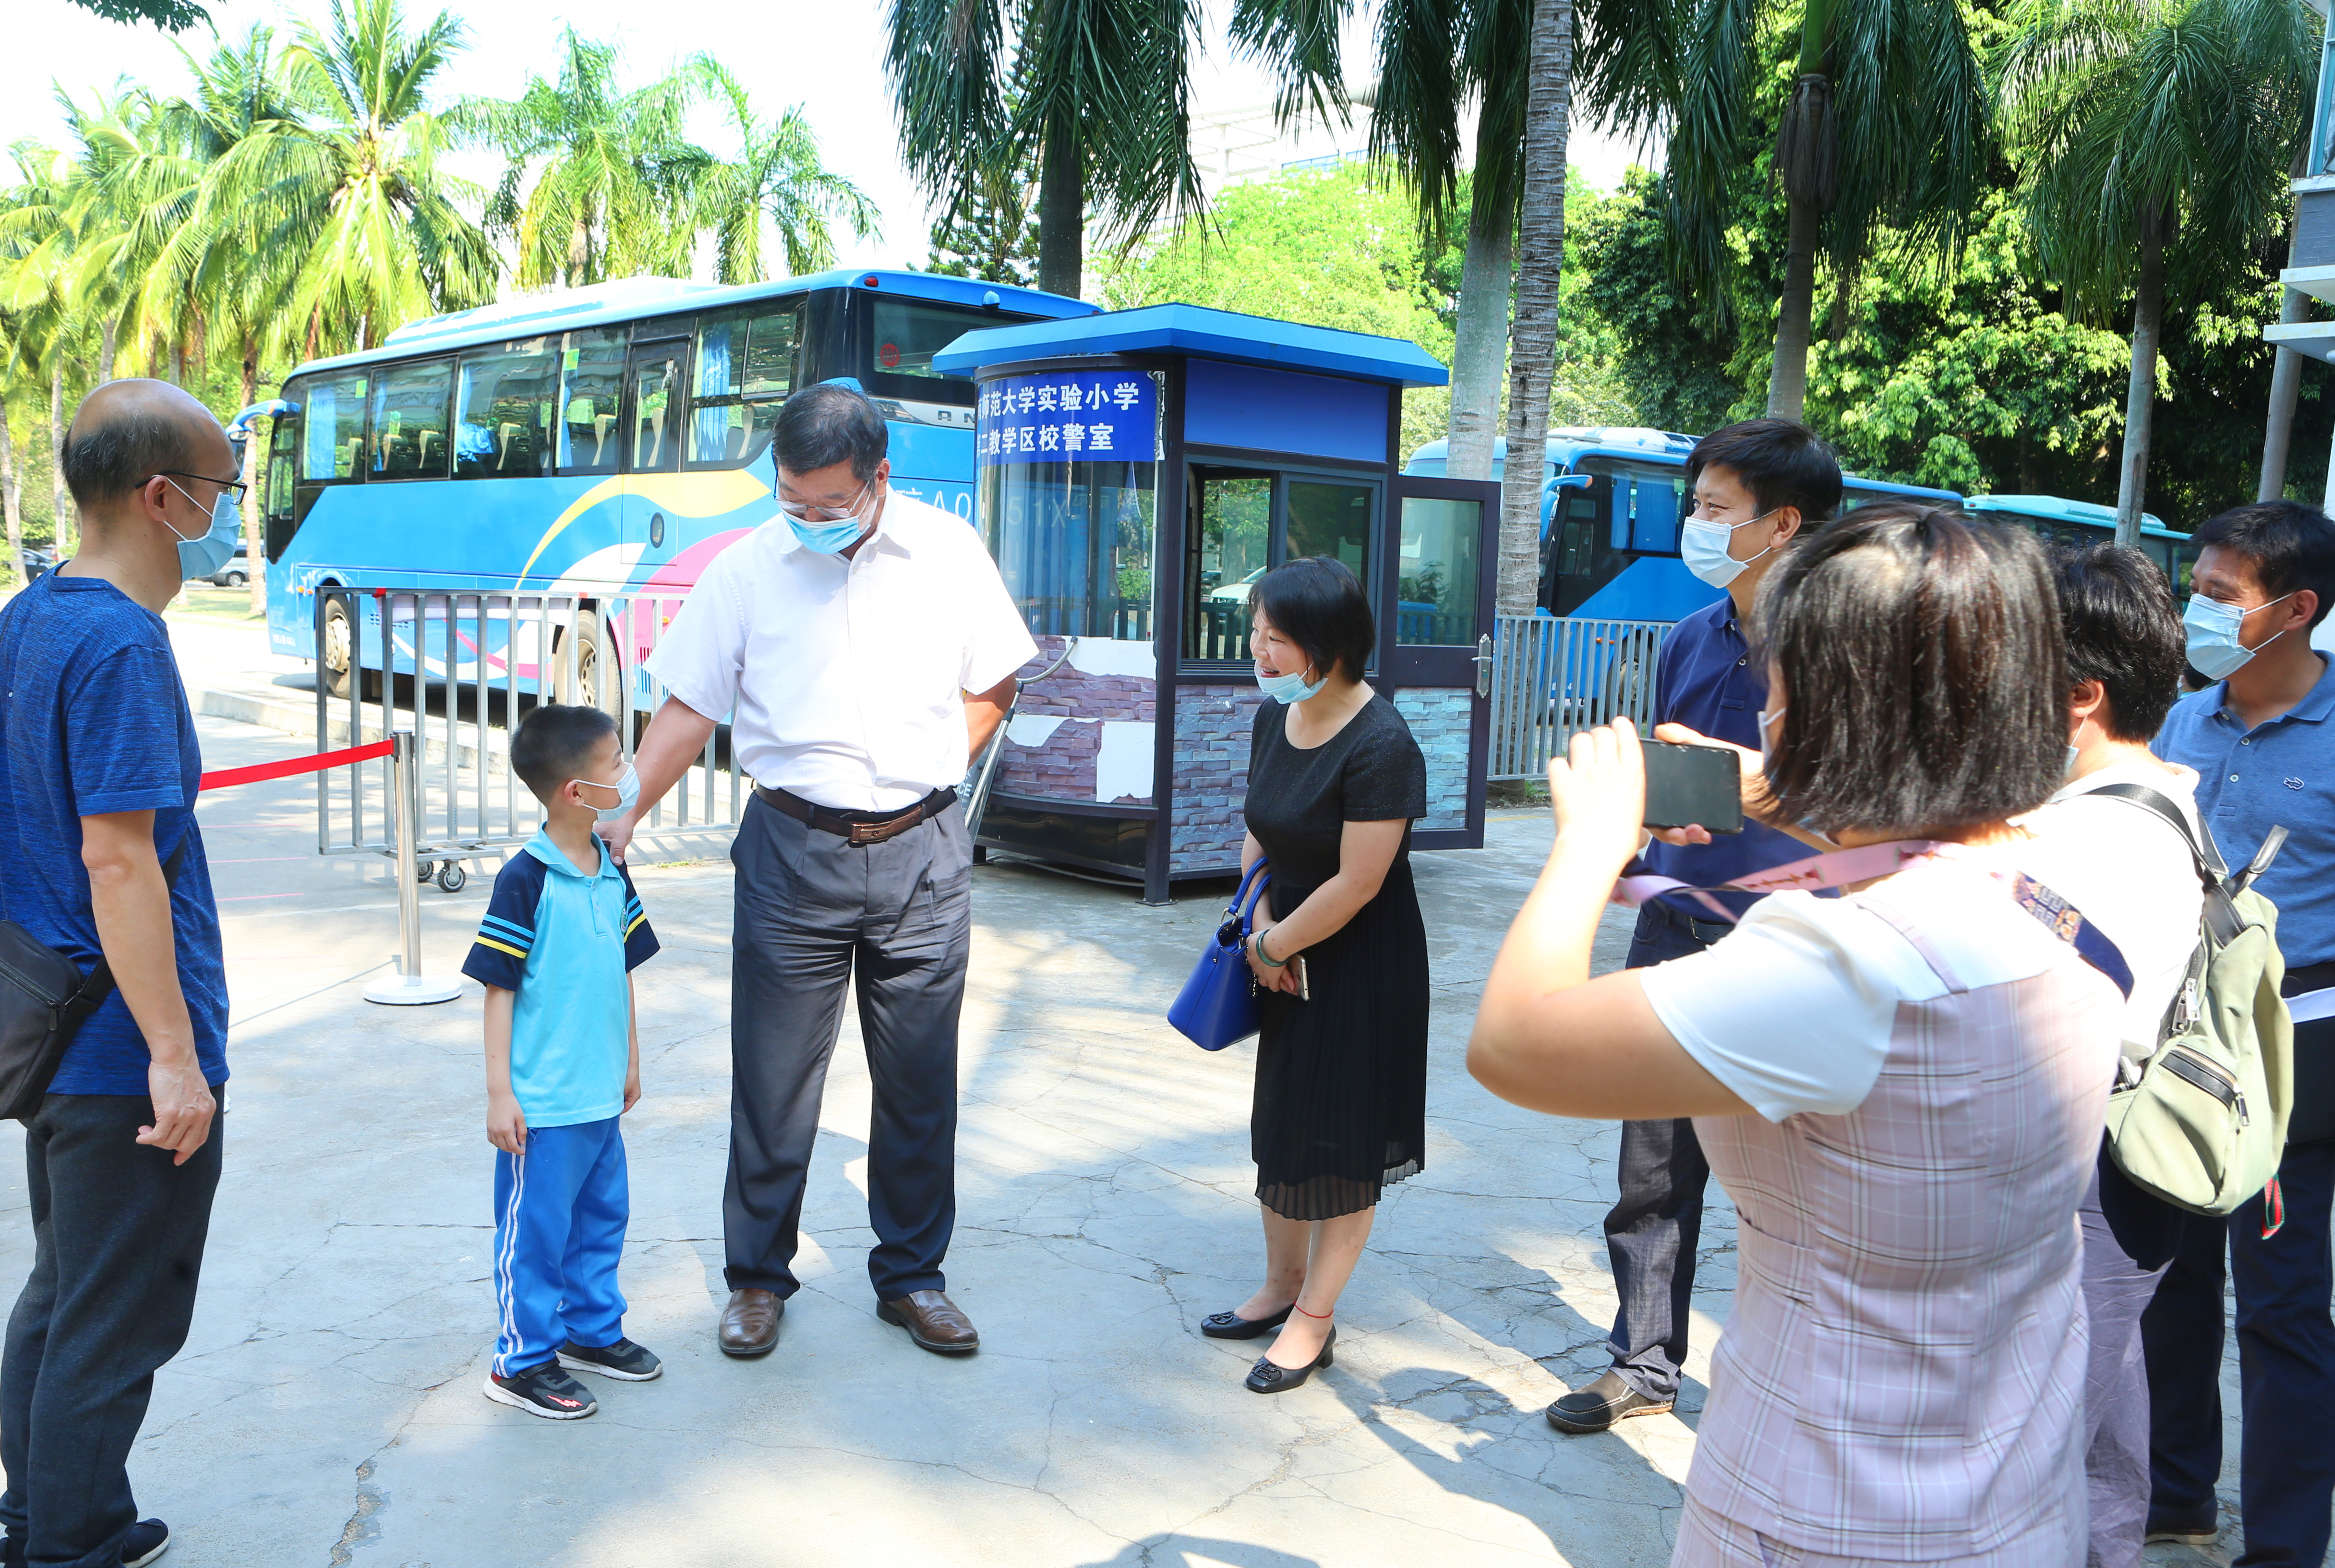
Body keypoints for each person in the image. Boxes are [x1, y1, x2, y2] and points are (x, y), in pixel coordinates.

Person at [1469, 506, 2123, 1565]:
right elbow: (1926, 837)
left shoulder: (1843, 964)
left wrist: (1590, 844)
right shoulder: (2066, 860)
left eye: (1779, 691)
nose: (1765, 710)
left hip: (1829, 1505)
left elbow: (1513, 1042)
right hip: (2014, 1480)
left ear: (1831, 714)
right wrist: (1784, 792)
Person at [603, 382, 1033, 1359]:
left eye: (828, 503)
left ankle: (912, 1276)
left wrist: (935, 773)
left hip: (922, 850)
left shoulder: (947, 552)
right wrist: (625, 809)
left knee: (918, 1081)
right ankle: (757, 1278)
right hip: (792, 847)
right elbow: (688, 705)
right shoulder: (747, 567)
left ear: (880, 477)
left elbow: (996, 678)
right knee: (773, 1079)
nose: (806, 519)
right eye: (790, 499)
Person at [1551, 417, 1840, 1435]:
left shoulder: (1838, 649)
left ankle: (1797, 1384)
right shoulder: (1688, 635)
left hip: (1794, 942)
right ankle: (1641, 1362)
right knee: (1653, 1168)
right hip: (1673, 925)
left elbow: (1868, 809)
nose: (1697, 524)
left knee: (1798, 1179)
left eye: (1717, 508)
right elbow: (1674, 783)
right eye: (1698, 504)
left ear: (1782, 523)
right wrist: (1633, 838)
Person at [0, 381, 239, 1567]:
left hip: (53, 1027)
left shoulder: (29, 615)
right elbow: (118, 858)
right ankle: (66, 1546)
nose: (227, 513)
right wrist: (175, 1057)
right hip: (119, 1051)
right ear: (162, 498)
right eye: (223, 491)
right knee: (114, 1315)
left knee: (65, 1292)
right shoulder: (122, 644)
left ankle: (49, 1517)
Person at [2146, 499, 2335, 1565]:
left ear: (2295, 608)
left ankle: (2285, 1546)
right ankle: (2174, 1492)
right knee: (2167, 1286)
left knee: (2278, 1307)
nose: (2197, 612)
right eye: (2197, 590)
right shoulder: (2181, 721)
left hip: (2294, 1055)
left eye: (2220, 595)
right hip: (2176, 1045)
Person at [2012, 545, 2204, 1568]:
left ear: (2081, 696)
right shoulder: (2150, 794)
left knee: (2035, 1453)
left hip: (2090, 1159)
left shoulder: (2093, 836)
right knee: (2102, 1429)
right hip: (2120, 1164)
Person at [1202, 557, 1428, 1394]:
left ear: (1327, 647)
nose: (1257, 651)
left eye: (1275, 639)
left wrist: (1274, 947)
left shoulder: (1381, 743)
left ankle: (1314, 1318)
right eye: (1256, 633)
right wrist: (1261, 928)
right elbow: (1260, 831)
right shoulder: (1278, 717)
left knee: (1342, 1142)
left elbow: (1359, 882)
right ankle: (1279, 1285)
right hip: (1284, 948)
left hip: (1360, 962)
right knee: (1283, 1125)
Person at [461, 704, 662, 1420]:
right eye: (618, 762)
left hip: (601, 1093)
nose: (630, 772)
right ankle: (521, 1361)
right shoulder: (526, 878)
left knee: (601, 1219)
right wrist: (500, 1093)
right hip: (543, 1106)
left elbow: (622, 969)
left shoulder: (611, 869)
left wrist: (630, 1058)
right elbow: (499, 989)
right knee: (537, 1236)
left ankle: (592, 1331)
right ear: (577, 791)